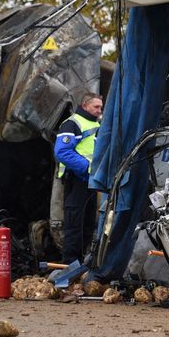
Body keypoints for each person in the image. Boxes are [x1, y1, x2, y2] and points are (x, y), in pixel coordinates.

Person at [54, 93, 103, 263]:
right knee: (75, 223)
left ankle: (82, 262)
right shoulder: (72, 123)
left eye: (100, 107)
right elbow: (62, 151)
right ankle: (70, 263)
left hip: (90, 181)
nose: (99, 110)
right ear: (84, 105)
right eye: (96, 107)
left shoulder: (96, 124)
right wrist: (88, 168)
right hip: (77, 179)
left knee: (88, 224)